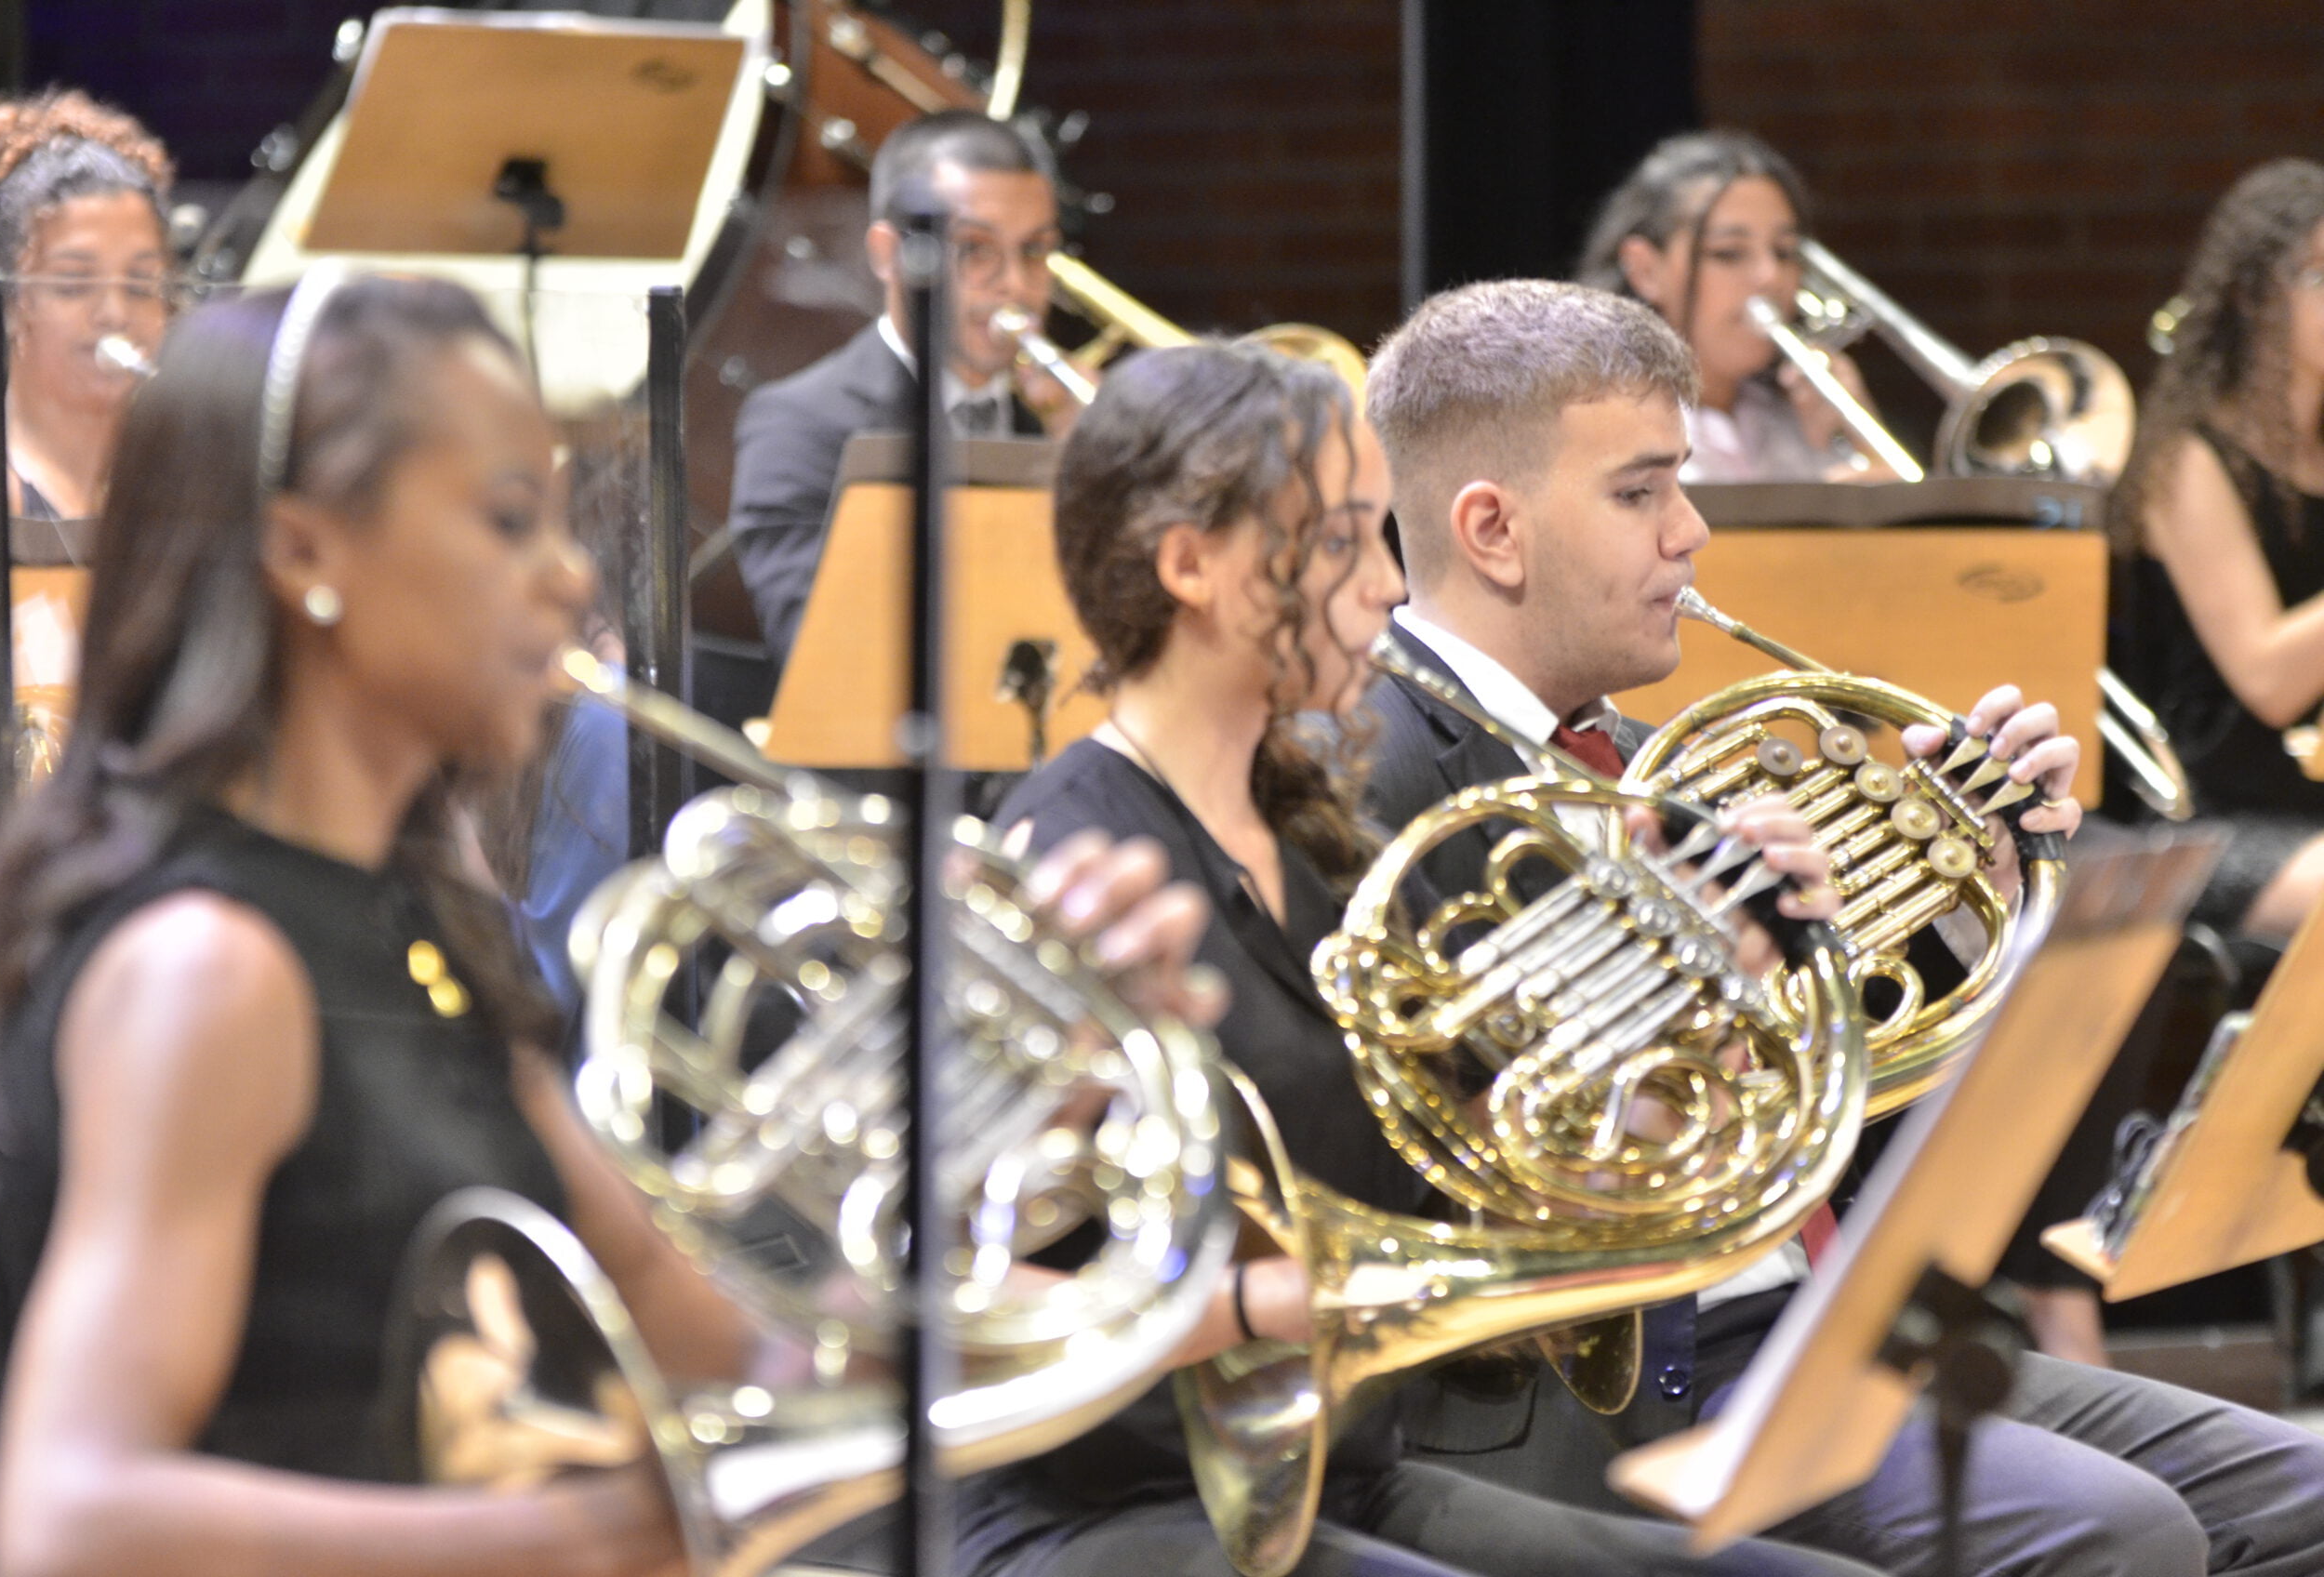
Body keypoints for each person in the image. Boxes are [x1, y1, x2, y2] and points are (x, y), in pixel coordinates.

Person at [0, 270, 1223, 1577]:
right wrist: (579, 1538)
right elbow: (72, 1520)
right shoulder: (210, 967)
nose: (567, 579)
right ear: (303, 549)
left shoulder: (423, 934)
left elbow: (758, 1359)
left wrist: (1017, 1106)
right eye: (508, 520)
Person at [1362, 274, 2324, 1577]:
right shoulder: (1375, 785)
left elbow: (1888, 1079)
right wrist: (1680, 983)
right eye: (1641, 493)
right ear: (1493, 529)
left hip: (1821, 1334)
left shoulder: (1666, 760)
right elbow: (1422, 1147)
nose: (1691, 531)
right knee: (2126, 1537)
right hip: (1616, 1389)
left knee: (2303, 1489)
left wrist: (1986, 886)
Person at [962, 338, 1892, 1577]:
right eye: (1339, 543)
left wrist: (1708, 996)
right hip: (1110, 1510)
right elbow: (947, 1296)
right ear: (1191, 566)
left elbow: (1512, 1172)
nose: (1380, 590)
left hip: (1338, 1478)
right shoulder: (1070, 853)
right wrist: (1248, 1311)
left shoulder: (1326, 839)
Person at [720, 108, 1061, 664]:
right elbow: (817, 652)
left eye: (1034, 250)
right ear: (887, 254)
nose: (1016, 286)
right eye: (975, 250)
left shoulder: (1065, 424)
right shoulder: (798, 423)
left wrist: (1088, 467)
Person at [2110, 158, 2324, 942]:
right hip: (2214, 818)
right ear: (2250, 296)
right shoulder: (2187, 463)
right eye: (2320, 280)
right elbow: (2268, 677)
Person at [1578, 129, 1898, 485]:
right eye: (1728, 253)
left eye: (1785, 252)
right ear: (1646, 269)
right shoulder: (1595, 428)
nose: (1770, 276)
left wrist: (1865, 440)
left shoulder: (1798, 420)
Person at [0, 87, 174, 522]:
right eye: (73, 283)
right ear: (9, 304)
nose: (114, 313)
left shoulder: (184, 481)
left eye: (141, 284)